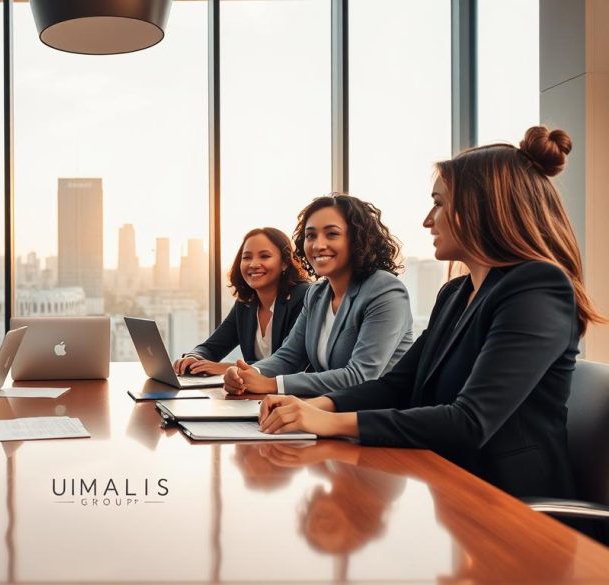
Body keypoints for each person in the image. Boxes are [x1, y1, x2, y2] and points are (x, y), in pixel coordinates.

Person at [258, 126, 603, 499]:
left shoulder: (537, 288)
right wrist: (311, 406)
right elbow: (399, 385)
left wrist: (329, 421)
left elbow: (470, 422)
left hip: (514, 507)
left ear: (481, 207)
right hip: (448, 488)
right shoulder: (456, 293)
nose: (427, 220)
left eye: (439, 203)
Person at [224, 194, 413, 397]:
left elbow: (361, 376)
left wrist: (272, 385)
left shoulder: (385, 290)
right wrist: (247, 374)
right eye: (310, 235)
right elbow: (289, 357)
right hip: (325, 411)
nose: (318, 245)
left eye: (332, 234)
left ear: (357, 239)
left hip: (375, 417)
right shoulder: (316, 294)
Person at [173, 227, 311, 376]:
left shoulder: (303, 297)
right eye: (246, 257)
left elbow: (290, 363)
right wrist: (193, 358)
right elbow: (212, 347)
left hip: (295, 395)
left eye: (264, 256)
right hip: (253, 394)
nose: (253, 264)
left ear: (284, 263)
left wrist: (229, 368)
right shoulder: (246, 304)